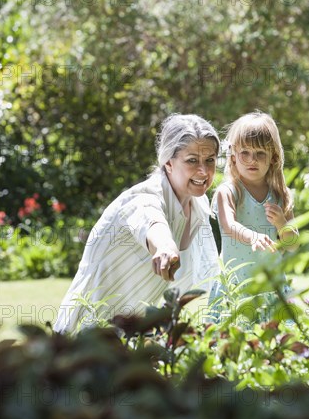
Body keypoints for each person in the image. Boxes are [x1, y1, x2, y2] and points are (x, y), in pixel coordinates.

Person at [54, 114, 220, 334]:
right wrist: (165, 248)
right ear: (168, 163)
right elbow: (150, 220)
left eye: (210, 160)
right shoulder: (144, 196)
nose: (203, 171)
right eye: (192, 160)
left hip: (134, 332)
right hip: (90, 332)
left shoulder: (198, 202)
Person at [210, 111, 298, 320]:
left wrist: (281, 224)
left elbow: (293, 244)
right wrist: (253, 237)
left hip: (271, 286)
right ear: (233, 155)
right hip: (236, 284)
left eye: (260, 153)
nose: (252, 160)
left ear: (273, 158)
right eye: (245, 152)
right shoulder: (229, 191)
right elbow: (229, 225)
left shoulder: (279, 195)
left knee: (274, 345)